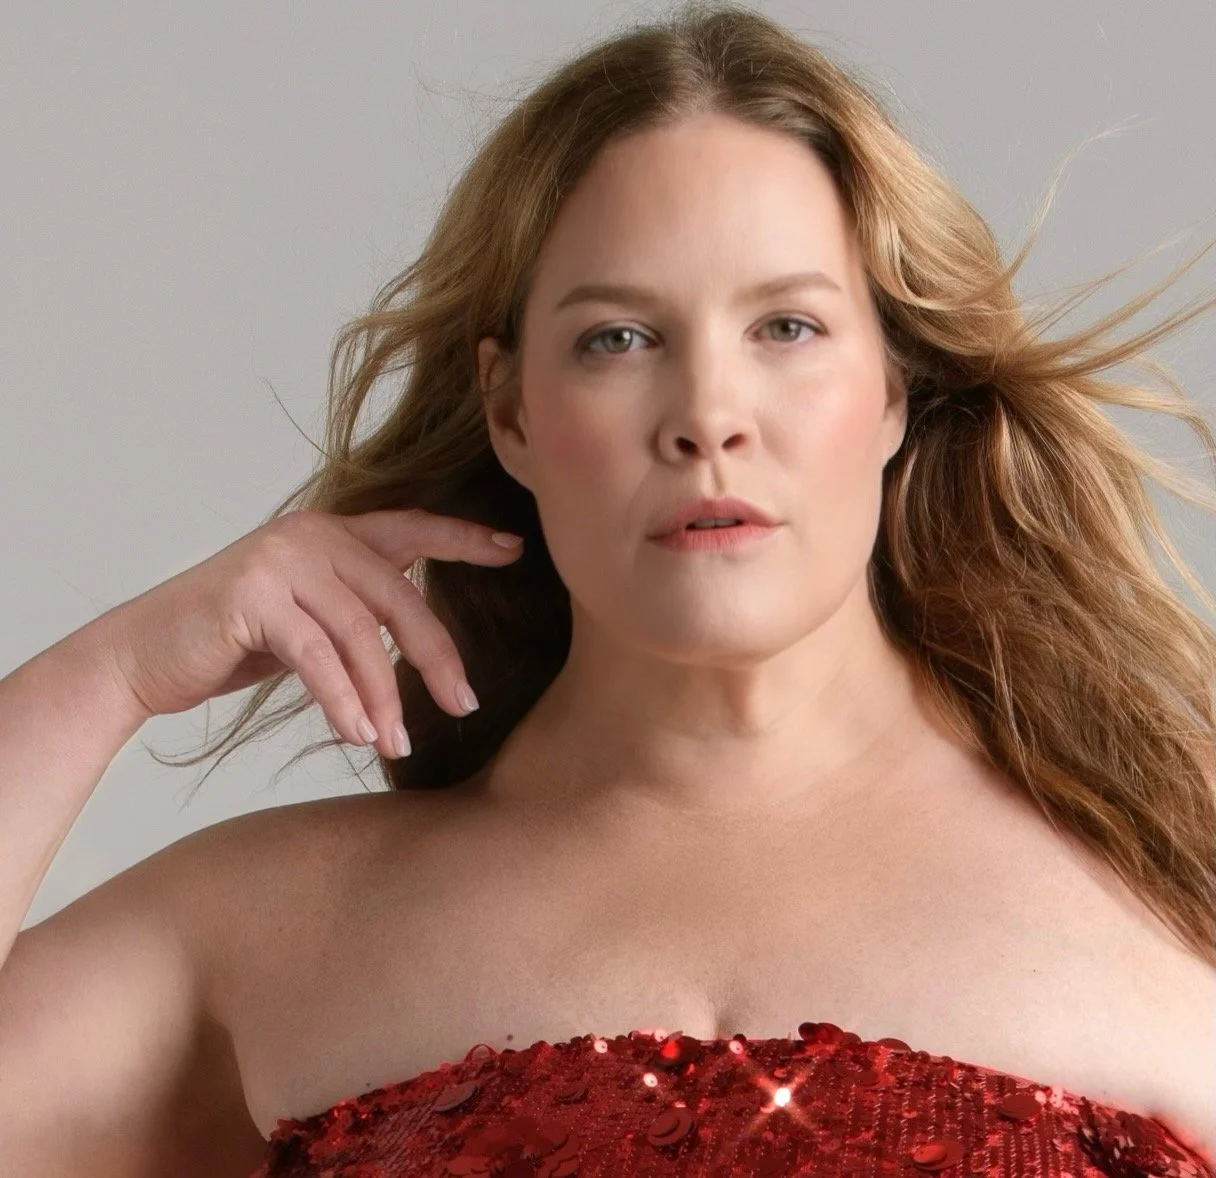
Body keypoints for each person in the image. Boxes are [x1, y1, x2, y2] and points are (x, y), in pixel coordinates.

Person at [2, 3, 1215, 1175]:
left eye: (786, 327)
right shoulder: (279, 928)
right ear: (511, 412)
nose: (707, 416)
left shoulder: (1166, 887)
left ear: (894, 387)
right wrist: (107, 675)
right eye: (617, 339)